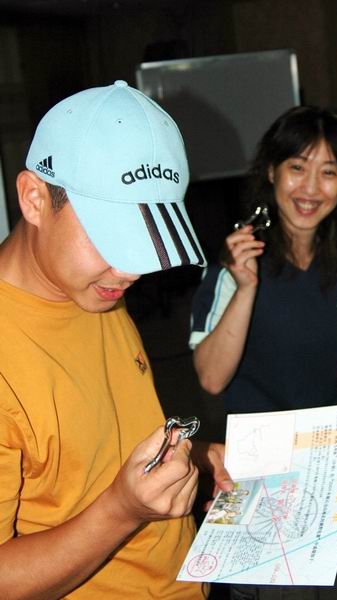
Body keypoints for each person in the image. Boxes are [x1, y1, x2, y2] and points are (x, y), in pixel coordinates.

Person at [0, 80, 233, 599]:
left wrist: (193, 461)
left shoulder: (94, 287)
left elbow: (99, 453)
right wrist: (123, 510)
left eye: (147, 241)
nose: (131, 270)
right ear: (35, 198)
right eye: (113, 238)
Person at [190, 106, 337, 600]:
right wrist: (245, 287)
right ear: (272, 172)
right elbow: (211, 377)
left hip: (328, 457)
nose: (311, 188)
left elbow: (335, 352)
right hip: (260, 465)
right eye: (298, 167)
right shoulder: (238, 260)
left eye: (329, 172)